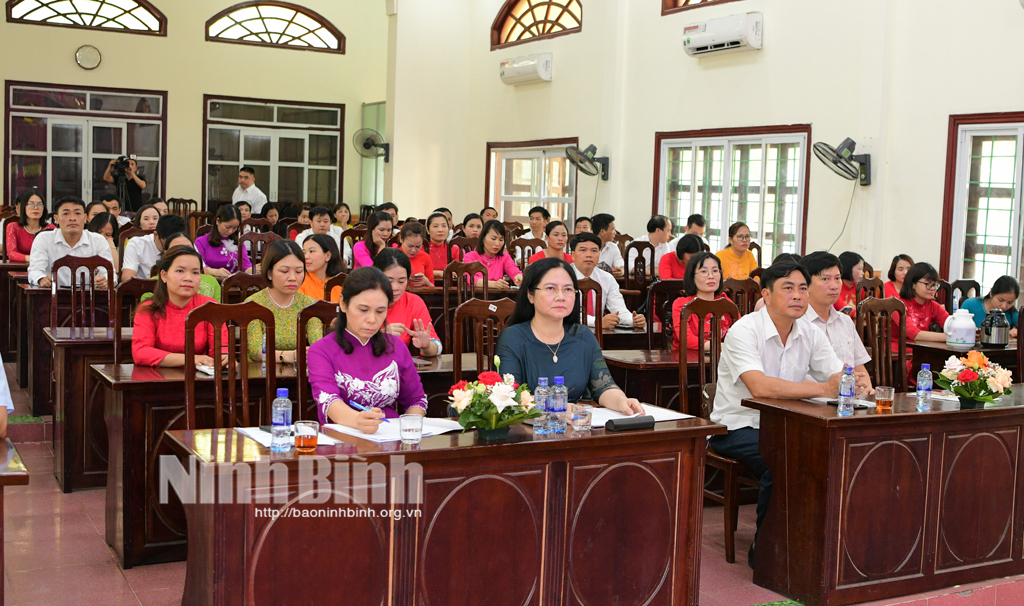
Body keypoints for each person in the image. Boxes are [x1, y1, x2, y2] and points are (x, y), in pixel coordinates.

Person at [710, 261, 857, 567]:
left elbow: (836, 376)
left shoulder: (809, 332)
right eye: (788, 288)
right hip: (737, 426)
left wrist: (852, 380)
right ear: (765, 294)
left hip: (788, 424)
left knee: (834, 454)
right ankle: (767, 549)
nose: (798, 296)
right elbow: (760, 387)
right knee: (784, 461)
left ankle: (815, 545)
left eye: (803, 288)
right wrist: (823, 389)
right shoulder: (744, 330)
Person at [495, 257, 644, 414]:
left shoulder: (583, 336)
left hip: (573, 427)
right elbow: (508, 398)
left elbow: (604, 386)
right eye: (551, 288)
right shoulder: (513, 338)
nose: (561, 296)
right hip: (529, 430)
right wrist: (554, 408)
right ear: (530, 295)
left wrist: (622, 401)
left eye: (568, 289)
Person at [306, 267, 428, 431]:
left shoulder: (396, 346)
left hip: (391, 437)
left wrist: (410, 429)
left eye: (380, 311)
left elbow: (416, 400)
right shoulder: (321, 351)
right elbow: (329, 401)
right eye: (363, 310)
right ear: (343, 303)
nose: (372, 319)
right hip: (342, 439)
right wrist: (358, 420)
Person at [131, 246, 229, 368]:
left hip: (199, 379)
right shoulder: (149, 309)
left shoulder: (209, 307)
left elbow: (221, 349)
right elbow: (141, 352)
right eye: (180, 271)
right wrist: (190, 359)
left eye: (195, 272)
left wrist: (226, 359)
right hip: (158, 379)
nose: (188, 278)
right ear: (164, 275)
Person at [802, 252, 874, 392]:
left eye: (838, 278)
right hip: (812, 401)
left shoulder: (845, 322)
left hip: (849, 401)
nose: (834, 286)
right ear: (806, 283)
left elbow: (860, 368)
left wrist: (867, 390)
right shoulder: (798, 324)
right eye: (825, 279)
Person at [245, 240, 322, 364]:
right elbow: (256, 351)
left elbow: (317, 344)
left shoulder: (309, 305)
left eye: (298, 271)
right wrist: (286, 356)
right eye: (284, 271)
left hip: (299, 373)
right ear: (269, 273)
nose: (292, 278)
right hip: (261, 374)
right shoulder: (253, 304)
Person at [28, 196, 113, 289]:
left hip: (89, 299)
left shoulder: (98, 240)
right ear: (56, 218)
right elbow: (35, 271)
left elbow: (109, 273)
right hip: (52, 297)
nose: (72, 218)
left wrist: (105, 280)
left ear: (85, 218)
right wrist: (41, 279)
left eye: (77, 213)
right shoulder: (43, 239)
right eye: (66, 213)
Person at [372, 249, 441, 356]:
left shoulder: (413, 302)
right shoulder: (363, 301)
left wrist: (426, 346)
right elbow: (349, 346)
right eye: (389, 281)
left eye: (401, 281)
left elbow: (436, 344)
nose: (395, 288)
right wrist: (379, 337)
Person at [570, 233, 646, 330]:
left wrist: (633, 319)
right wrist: (597, 322)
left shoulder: (607, 278)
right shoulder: (562, 277)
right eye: (583, 250)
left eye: (594, 251)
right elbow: (564, 314)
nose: (589, 255)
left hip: (597, 333)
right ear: (573, 255)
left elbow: (619, 309)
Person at [672, 252, 733, 351]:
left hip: (722, 359)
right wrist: (722, 347)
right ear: (692, 277)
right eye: (704, 271)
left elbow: (741, 331)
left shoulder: (726, 303)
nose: (711, 276)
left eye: (715, 270)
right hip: (689, 361)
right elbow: (686, 339)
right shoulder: (682, 304)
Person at [122, 214, 187, 282]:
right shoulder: (137, 244)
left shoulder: (187, 244)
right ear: (156, 235)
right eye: (166, 245)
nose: (170, 249)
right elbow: (127, 278)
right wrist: (150, 282)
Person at [897, 262, 949, 345]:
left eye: (935, 284)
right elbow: (915, 335)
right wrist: (954, 337)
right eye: (928, 284)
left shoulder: (933, 306)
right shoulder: (898, 306)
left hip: (921, 350)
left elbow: (951, 324)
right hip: (898, 351)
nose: (932, 288)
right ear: (913, 284)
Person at [195, 204, 251, 278]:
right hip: (212, 282)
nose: (230, 231)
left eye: (235, 228)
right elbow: (199, 267)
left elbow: (246, 266)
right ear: (218, 221)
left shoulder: (237, 243)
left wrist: (255, 269)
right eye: (227, 227)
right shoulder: (201, 242)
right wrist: (214, 271)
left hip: (234, 284)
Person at [463, 220, 523, 287]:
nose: (497, 244)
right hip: (474, 295)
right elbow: (470, 278)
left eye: (501, 240)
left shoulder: (504, 257)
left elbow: (512, 268)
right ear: (483, 238)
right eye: (493, 239)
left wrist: (518, 276)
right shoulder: (470, 256)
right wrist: (493, 284)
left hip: (496, 296)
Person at [6, 191, 52, 263]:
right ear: (24, 207)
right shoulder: (13, 227)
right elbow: (12, 254)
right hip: (20, 268)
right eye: (31, 204)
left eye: (39, 205)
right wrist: (33, 259)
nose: (36, 208)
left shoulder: (50, 228)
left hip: (45, 268)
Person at [298, 234, 343, 301]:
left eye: (311, 251)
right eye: (304, 252)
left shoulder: (340, 283)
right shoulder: (299, 281)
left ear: (328, 256)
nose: (306, 256)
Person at [393, 221, 434, 287]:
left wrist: (427, 282)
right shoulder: (391, 254)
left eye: (418, 246)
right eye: (410, 246)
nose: (413, 250)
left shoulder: (425, 257)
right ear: (401, 239)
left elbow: (433, 287)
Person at [425, 212, 459, 281]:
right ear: (427, 230)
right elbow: (418, 271)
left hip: (450, 287)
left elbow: (458, 271)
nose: (440, 230)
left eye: (444, 226)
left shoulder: (454, 249)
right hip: (427, 287)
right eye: (435, 226)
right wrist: (439, 273)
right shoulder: (422, 249)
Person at [591, 213, 624, 278]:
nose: (615, 232)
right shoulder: (587, 248)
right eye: (613, 229)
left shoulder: (613, 247)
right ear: (602, 232)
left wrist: (621, 271)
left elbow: (621, 265)